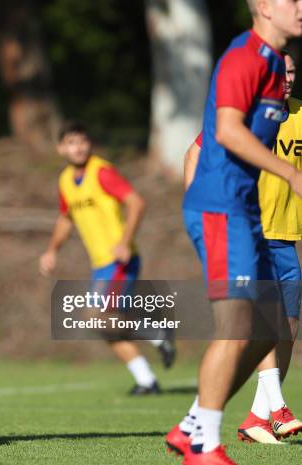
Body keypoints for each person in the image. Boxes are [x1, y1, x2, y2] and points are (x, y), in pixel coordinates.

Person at [165, 1, 302, 463]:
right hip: (222, 209)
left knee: (270, 330)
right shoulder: (244, 56)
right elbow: (224, 131)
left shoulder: (271, 66)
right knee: (238, 328)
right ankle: (203, 442)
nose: (301, 7)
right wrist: (290, 174)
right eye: (291, 0)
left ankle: (191, 425)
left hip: (245, 213)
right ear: (263, 7)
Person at [39, 121, 176, 395]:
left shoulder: (101, 172)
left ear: (90, 144)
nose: (77, 147)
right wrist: (52, 250)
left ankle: (157, 334)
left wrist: (125, 242)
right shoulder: (66, 179)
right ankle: (146, 380)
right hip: (100, 265)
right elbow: (66, 219)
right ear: (61, 147)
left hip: (119, 261)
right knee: (104, 326)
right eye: (71, 142)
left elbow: (136, 202)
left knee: (96, 317)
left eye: (82, 141)